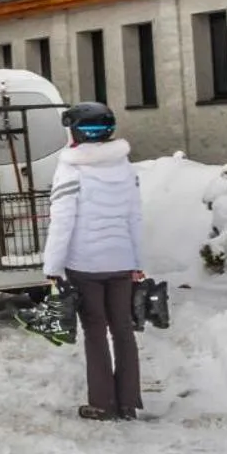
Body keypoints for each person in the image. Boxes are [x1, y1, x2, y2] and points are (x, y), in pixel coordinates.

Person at [42, 102, 145, 421]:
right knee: (124, 330)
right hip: (122, 262)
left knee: (96, 331)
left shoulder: (70, 169)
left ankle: (102, 403)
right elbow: (135, 217)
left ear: (75, 132)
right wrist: (137, 262)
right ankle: (128, 403)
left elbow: (62, 222)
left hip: (85, 264)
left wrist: (52, 267)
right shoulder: (125, 167)